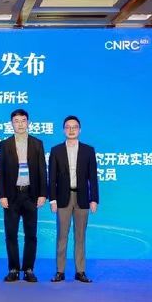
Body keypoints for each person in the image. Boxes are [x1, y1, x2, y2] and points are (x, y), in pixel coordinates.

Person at [0, 109, 47, 282]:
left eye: (23, 120)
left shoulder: (37, 143)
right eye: (16, 121)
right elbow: (0, 171)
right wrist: (1, 195)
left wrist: (43, 193)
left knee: (31, 235)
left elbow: (42, 170)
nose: (20, 124)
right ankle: (13, 269)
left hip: (31, 195)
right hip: (11, 196)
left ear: (28, 122)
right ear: (12, 124)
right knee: (11, 234)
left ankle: (29, 269)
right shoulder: (5, 144)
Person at [49, 115, 99, 283]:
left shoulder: (88, 150)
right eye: (68, 127)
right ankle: (60, 271)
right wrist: (52, 199)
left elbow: (93, 177)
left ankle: (80, 271)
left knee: (80, 236)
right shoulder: (56, 150)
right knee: (62, 236)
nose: (71, 130)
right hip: (63, 198)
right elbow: (52, 178)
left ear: (80, 130)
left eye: (74, 127)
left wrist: (94, 199)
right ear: (64, 130)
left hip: (82, 198)